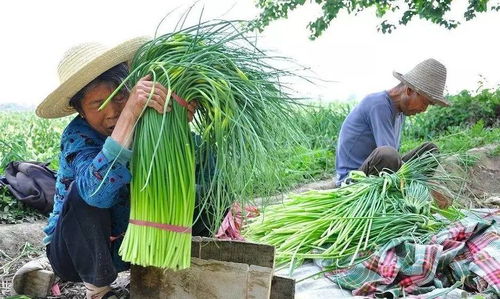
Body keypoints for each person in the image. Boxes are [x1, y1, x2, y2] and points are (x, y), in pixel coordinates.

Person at [31, 37, 198, 299]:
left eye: (119, 97)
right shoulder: (77, 136)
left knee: (194, 188)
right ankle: (98, 291)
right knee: (83, 192)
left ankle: (156, 274)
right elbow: (95, 193)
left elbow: (189, 161)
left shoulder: (148, 122)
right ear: (80, 111)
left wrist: (177, 123)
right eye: (97, 105)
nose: (112, 112)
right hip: (75, 253)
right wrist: (129, 115)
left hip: (131, 243)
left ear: (130, 89)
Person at [335, 58, 450, 200]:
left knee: (429, 151)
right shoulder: (378, 104)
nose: (424, 109)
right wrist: (428, 190)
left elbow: (395, 163)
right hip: (354, 182)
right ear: (409, 90)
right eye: (425, 102)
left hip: (377, 174)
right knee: (388, 154)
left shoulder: (400, 112)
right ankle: (407, 197)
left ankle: (409, 199)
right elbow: (389, 157)